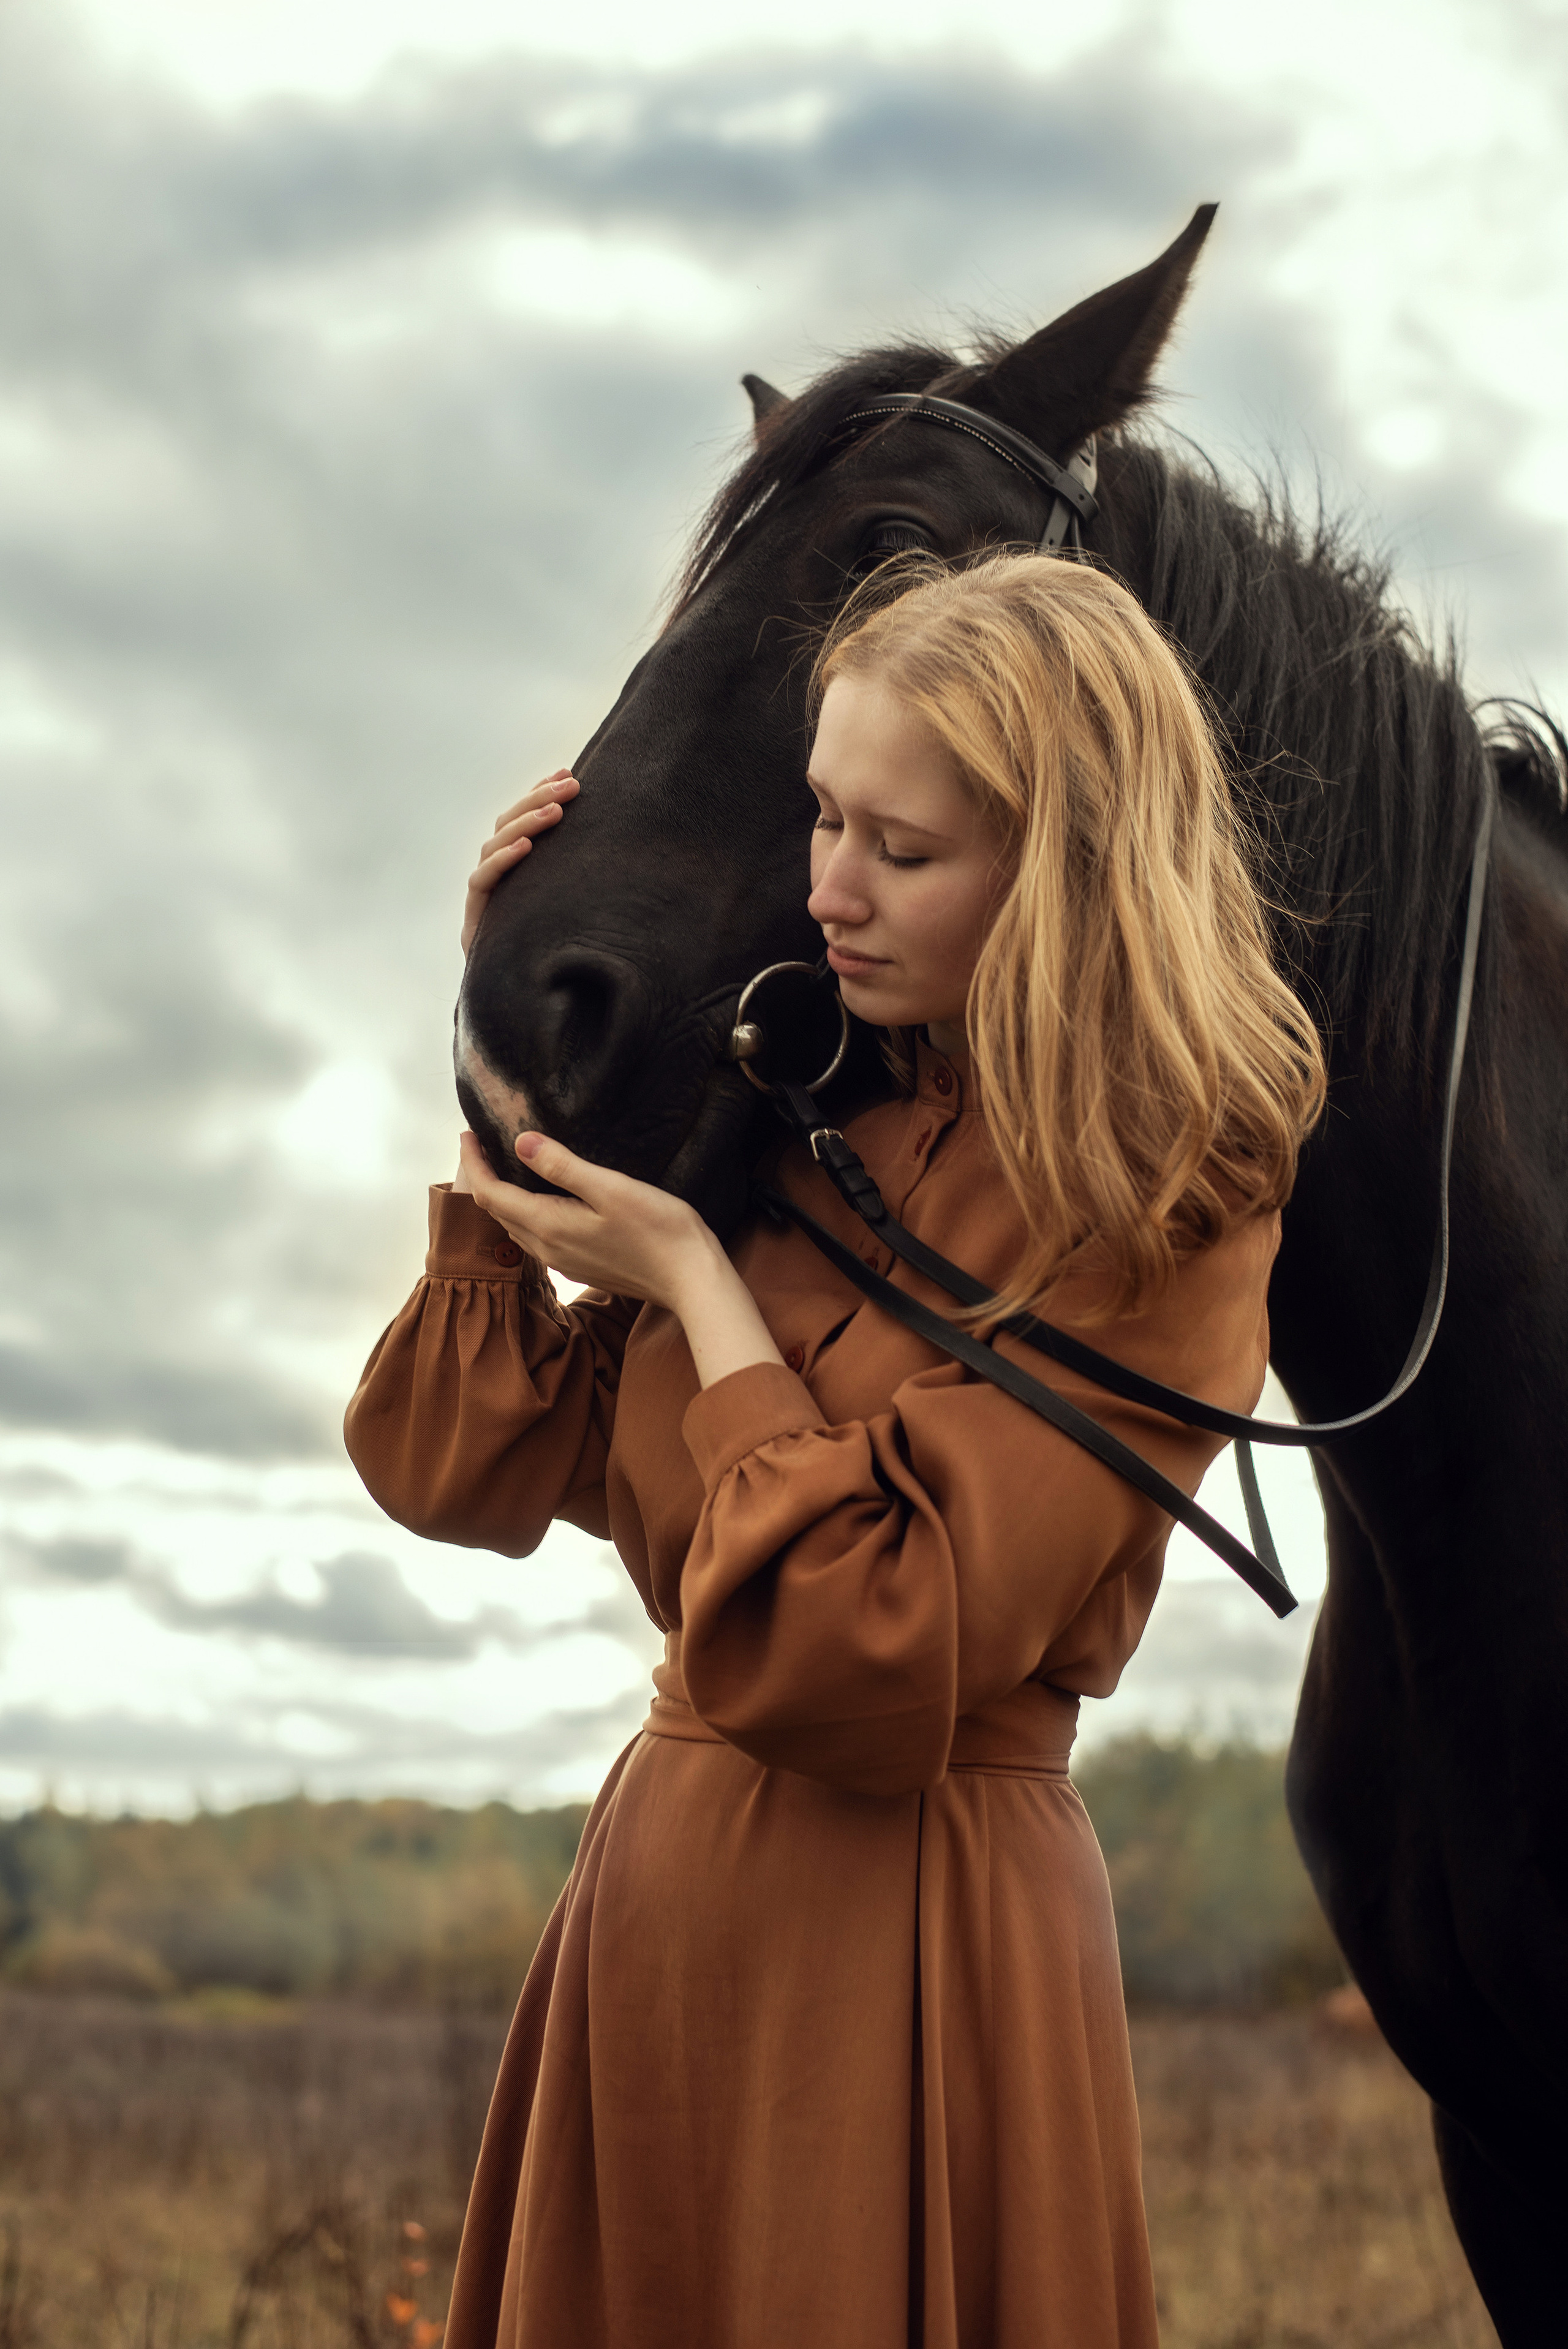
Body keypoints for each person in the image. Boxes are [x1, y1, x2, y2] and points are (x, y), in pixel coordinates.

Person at [344, 552, 1325, 2349]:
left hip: (923, 1941)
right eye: (822, 815)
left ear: (1065, 878)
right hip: (661, 1912)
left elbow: (861, 1643)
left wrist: (699, 1290)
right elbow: (458, 1465)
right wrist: (505, 1066)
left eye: (903, 847)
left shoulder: (1167, 1208)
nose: (829, 890)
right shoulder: (797, 1107)